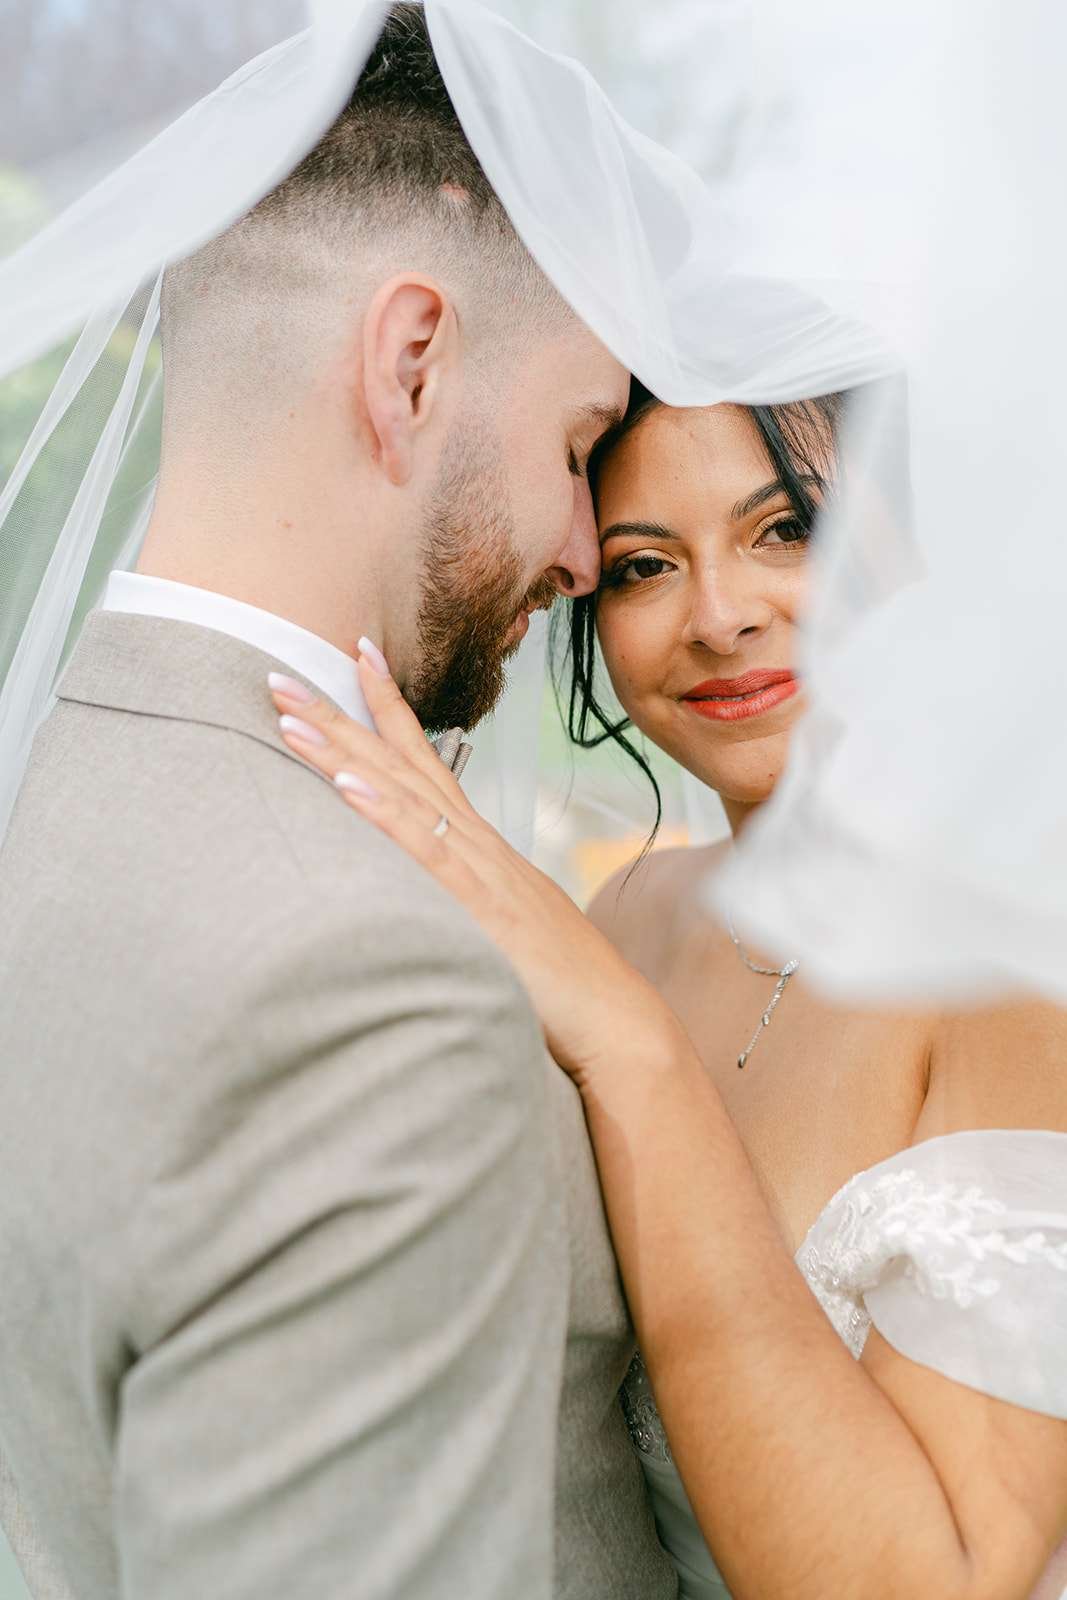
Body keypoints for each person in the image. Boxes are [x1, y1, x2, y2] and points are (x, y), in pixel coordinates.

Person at [0, 10, 680, 1600]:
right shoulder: (370, 991)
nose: (585, 554)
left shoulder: (38, 776)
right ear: (410, 362)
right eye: (580, 444)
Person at [281, 385, 1067, 1600]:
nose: (717, 616)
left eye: (788, 531)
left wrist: (631, 1051)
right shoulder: (629, 918)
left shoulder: (1016, 960)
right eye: (645, 565)